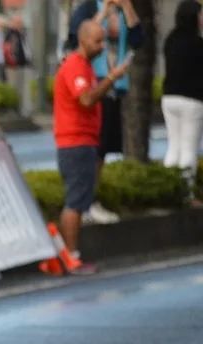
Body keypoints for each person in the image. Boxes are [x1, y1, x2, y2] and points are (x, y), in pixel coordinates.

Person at [53, 19, 131, 275]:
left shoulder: (84, 65)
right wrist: (111, 77)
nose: (101, 46)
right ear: (83, 40)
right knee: (75, 202)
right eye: (98, 41)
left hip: (83, 141)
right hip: (75, 142)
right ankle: (71, 257)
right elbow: (86, 99)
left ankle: (69, 255)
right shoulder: (75, 65)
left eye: (103, 40)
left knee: (79, 199)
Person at [64, 0, 144, 223]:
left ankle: (90, 199)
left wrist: (127, 8)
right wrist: (102, 14)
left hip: (115, 85)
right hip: (93, 81)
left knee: (104, 147)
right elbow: (77, 38)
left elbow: (138, 40)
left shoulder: (122, 9)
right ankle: (85, 202)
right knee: (93, 147)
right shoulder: (89, 8)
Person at [161, 0, 203, 206]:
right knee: (188, 148)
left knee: (173, 146)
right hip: (191, 101)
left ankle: (167, 191)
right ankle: (185, 196)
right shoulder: (197, 43)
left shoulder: (170, 39)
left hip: (169, 98)